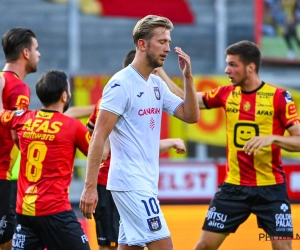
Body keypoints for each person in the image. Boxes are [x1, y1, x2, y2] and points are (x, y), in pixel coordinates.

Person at [80, 14, 199, 250]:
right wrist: (89, 187)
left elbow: (190, 116)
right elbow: (99, 137)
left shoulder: (156, 84)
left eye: (168, 41)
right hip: (130, 183)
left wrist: (187, 77)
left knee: (129, 248)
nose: (167, 48)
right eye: (162, 42)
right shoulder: (120, 84)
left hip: (145, 183)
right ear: (142, 44)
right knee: (164, 247)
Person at [190, 40, 300, 250]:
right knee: (203, 246)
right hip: (233, 188)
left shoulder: (279, 97)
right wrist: (161, 76)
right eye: (227, 64)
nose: (226, 70)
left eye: (233, 65)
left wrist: (273, 138)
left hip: (271, 189)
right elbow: (187, 102)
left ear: (250, 67)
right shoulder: (225, 93)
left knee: (284, 248)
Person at [0, 70, 91, 250]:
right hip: (56, 213)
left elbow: (2, 114)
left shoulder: (23, 118)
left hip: (25, 214)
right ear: (64, 96)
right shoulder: (73, 126)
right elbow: (101, 154)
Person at [0, 27, 40, 250]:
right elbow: (18, 135)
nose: (38, 54)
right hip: (3, 176)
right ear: (26, 53)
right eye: (36, 49)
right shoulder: (18, 87)